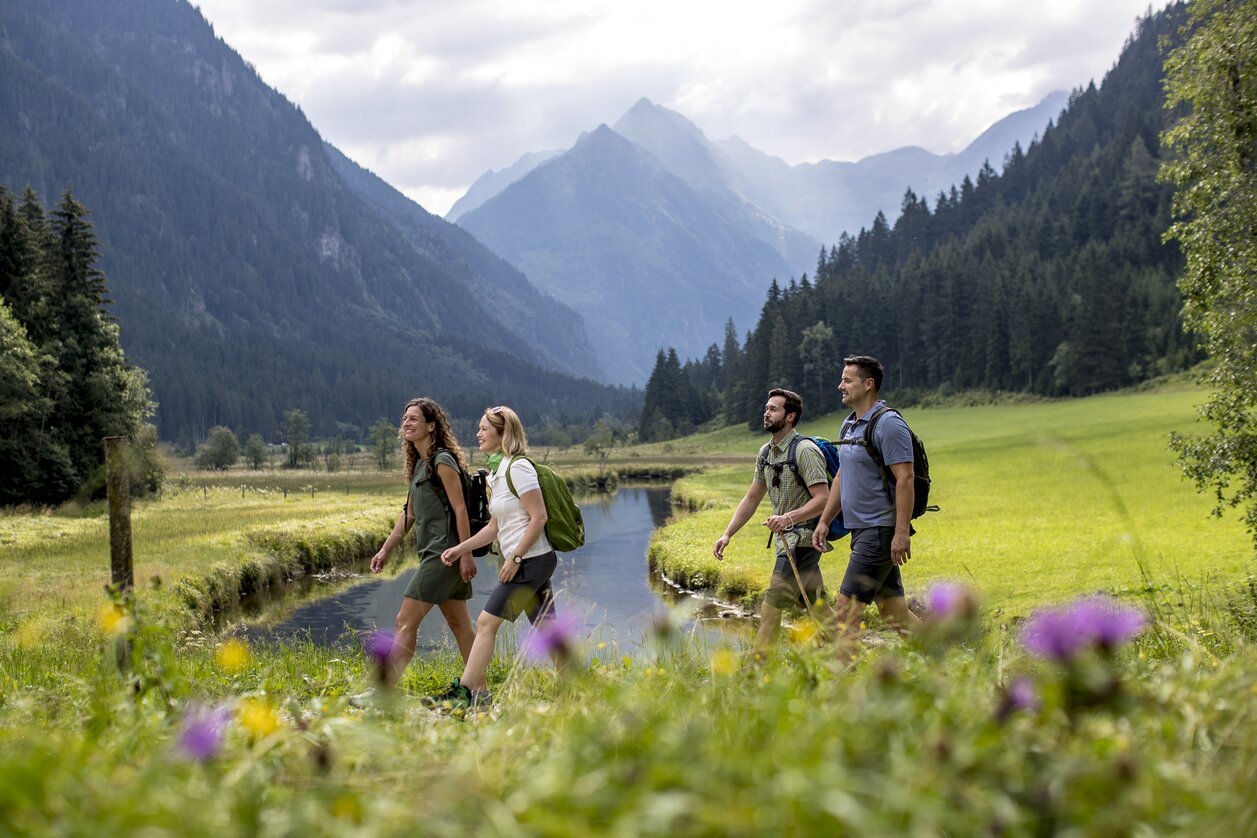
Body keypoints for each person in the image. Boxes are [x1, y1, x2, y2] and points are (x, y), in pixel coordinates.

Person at [429, 405, 566, 707]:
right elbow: (494, 527)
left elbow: (539, 517)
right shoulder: (498, 472)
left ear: (502, 434)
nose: (478, 433)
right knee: (547, 627)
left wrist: (515, 557)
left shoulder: (519, 467)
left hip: (531, 562)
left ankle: (465, 695)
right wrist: (459, 549)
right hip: (531, 561)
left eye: (484, 429)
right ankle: (575, 687)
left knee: (486, 622)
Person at [368, 397, 477, 686]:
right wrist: (385, 549)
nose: (407, 423)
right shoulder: (420, 466)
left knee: (405, 621)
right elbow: (409, 516)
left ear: (431, 425)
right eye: (405, 418)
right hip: (437, 555)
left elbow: (461, 508)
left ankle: (383, 690)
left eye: (414, 418)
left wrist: (465, 554)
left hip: (444, 556)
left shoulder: (442, 460)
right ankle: (480, 691)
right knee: (461, 627)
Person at [713, 388, 831, 656]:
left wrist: (788, 517)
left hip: (802, 541)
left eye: (773, 409)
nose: (766, 413)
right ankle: (850, 655)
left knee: (770, 607)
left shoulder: (805, 451)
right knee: (818, 606)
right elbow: (752, 498)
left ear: (790, 416)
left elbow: (823, 499)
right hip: (786, 543)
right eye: (766, 408)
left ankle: (758, 669)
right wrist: (727, 534)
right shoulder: (766, 452)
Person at [812, 355, 921, 638]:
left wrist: (901, 533)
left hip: (879, 532)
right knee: (893, 614)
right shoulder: (849, 425)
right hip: (860, 531)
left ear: (868, 384)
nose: (840, 386)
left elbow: (905, 478)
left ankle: (842, 679)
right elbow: (841, 476)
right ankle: (945, 663)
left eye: (847, 380)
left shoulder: (888, 424)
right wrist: (825, 521)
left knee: (845, 614)